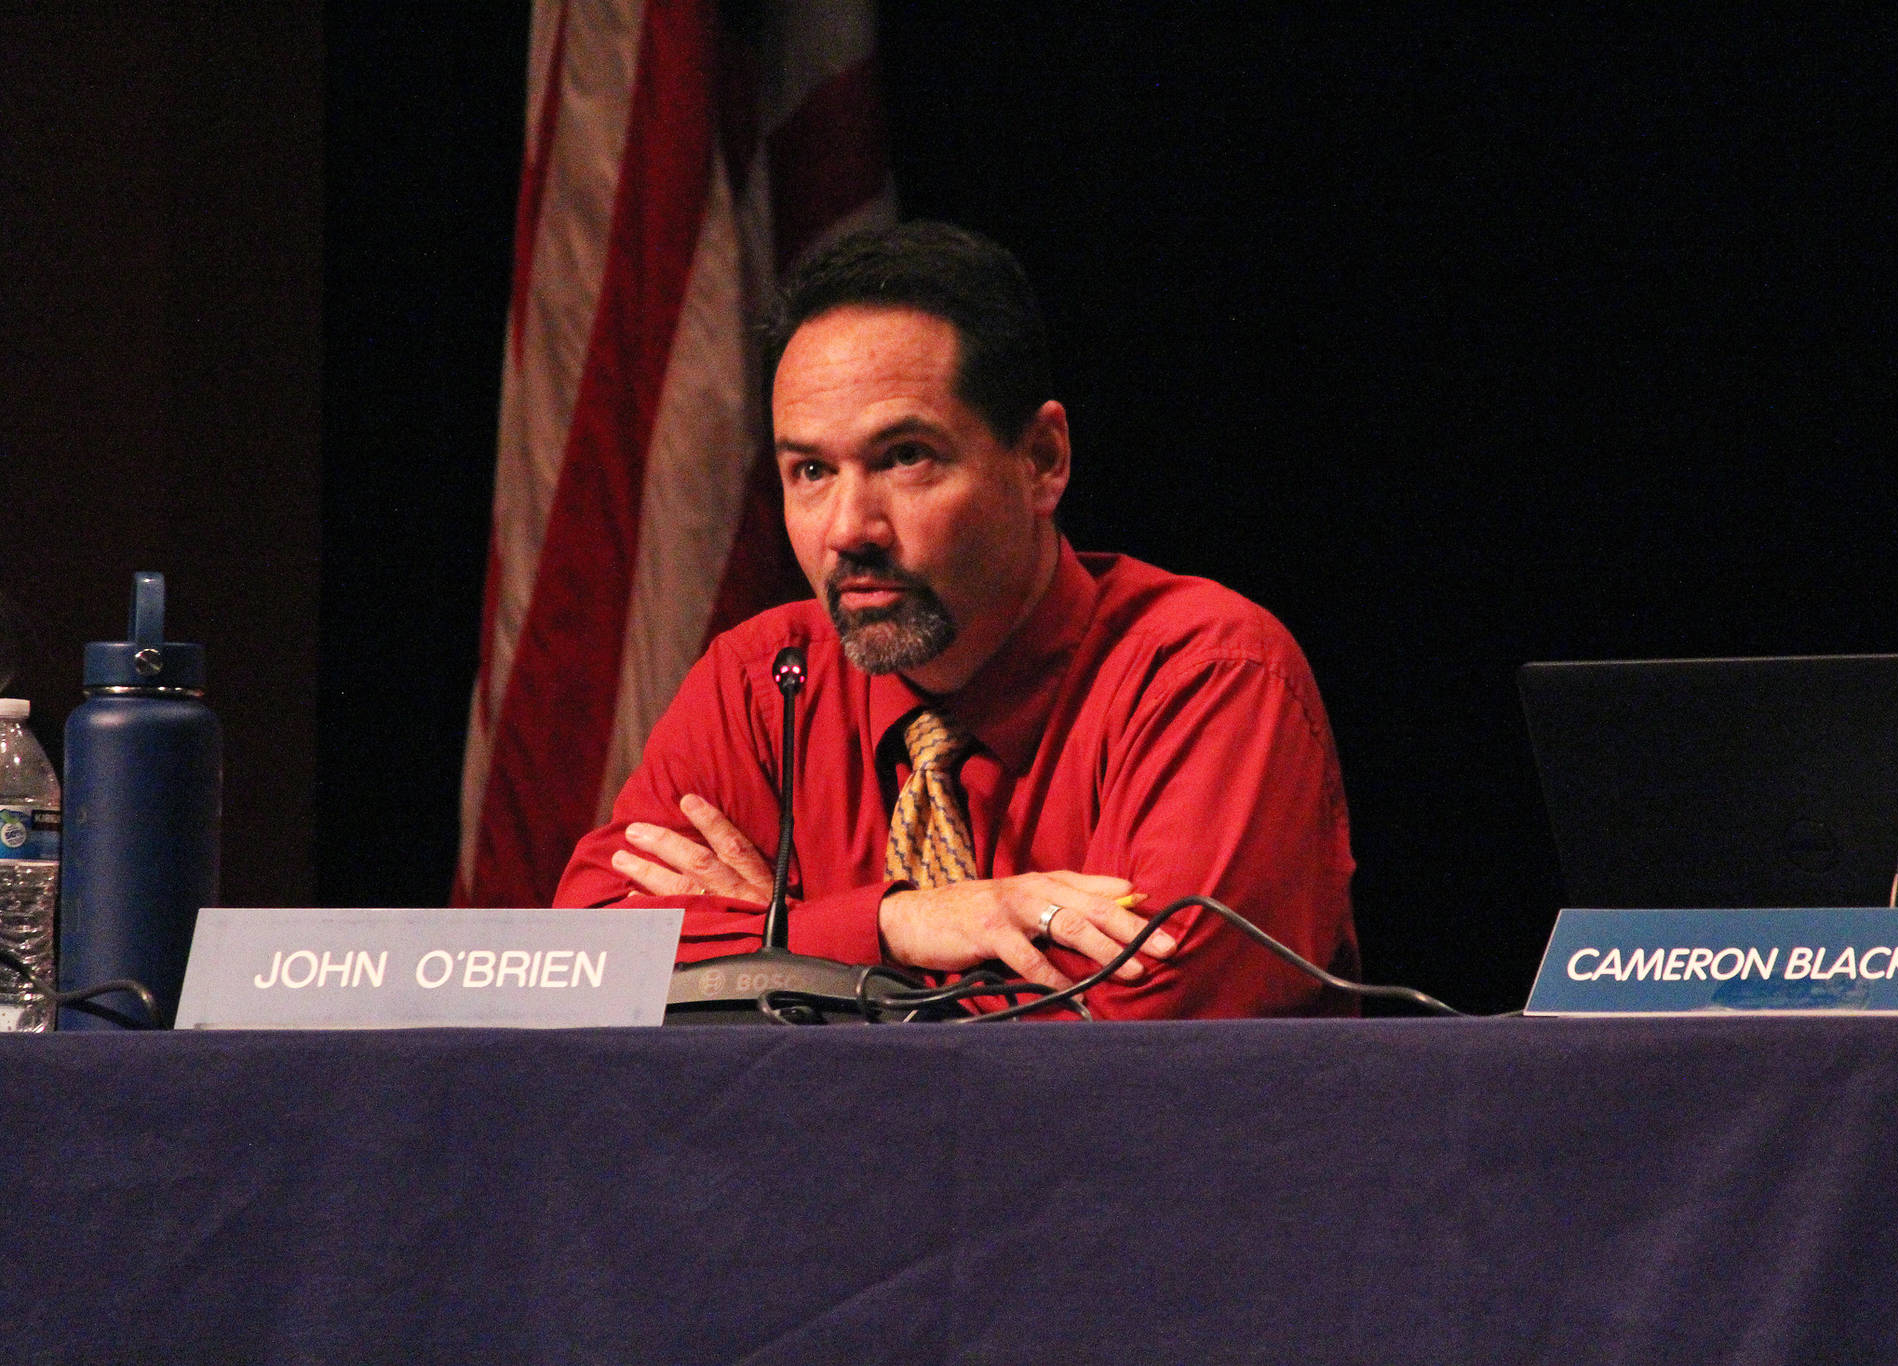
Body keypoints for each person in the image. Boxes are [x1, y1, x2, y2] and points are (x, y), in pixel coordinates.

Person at [554, 222, 1359, 1017]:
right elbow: (579, 973)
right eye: (810, 471)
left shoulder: (1204, 678)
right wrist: (895, 923)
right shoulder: (765, 684)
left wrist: (785, 962)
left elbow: (1127, 1050)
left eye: (905, 457)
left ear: (1042, 459)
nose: (848, 529)